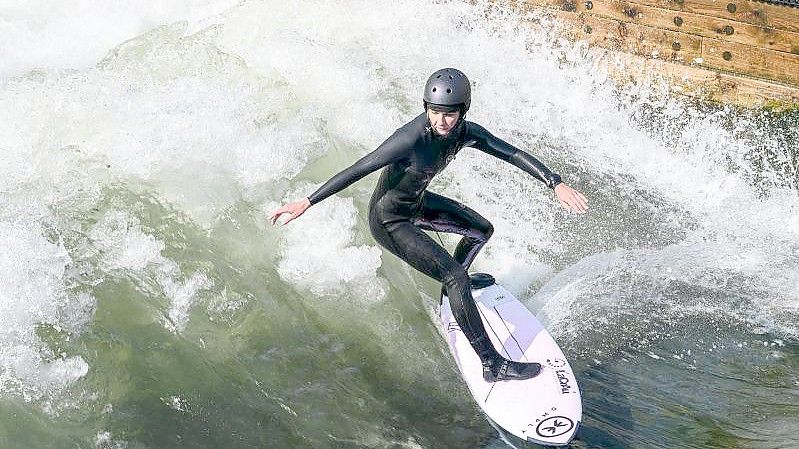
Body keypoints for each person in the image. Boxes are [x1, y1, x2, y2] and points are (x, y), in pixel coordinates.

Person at [270, 68, 588, 382]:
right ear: (425, 107)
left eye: (449, 114)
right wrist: (307, 202)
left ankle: (454, 294)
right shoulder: (409, 139)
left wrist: (555, 183)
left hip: (418, 204)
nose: (441, 121)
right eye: (434, 111)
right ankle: (493, 365)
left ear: (463, 112)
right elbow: (359, 167)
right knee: (456, 276)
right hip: (390, 221)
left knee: (480, 231)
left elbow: (510, 152)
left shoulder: (466, 132)